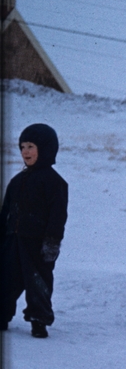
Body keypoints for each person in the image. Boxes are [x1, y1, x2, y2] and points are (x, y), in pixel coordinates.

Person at [2, 124, 69, 338]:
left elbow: (58, 217)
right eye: (22, 147)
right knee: (5, 280)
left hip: (38, 244)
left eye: (31, 146)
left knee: (38, 283)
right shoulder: (17, 181)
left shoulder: (54, 182)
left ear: (47, 149)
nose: (25, 152)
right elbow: (6, 212)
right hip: (13, 240)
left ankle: (38, 321)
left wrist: (52, 243)